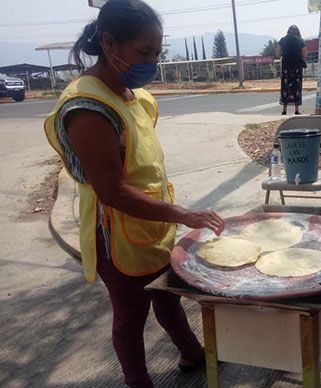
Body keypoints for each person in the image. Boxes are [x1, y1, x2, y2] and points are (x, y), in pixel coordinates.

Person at [43, 1, 225, 387]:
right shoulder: (87, 107)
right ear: (109, 43)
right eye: (144, 52)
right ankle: (136, 381)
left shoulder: (132, 93)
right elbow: (111, 191)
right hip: (118, 234)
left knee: (167, 294)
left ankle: (191, 352)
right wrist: (183, 215)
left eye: (157, 52)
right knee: (130, 315)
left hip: (151, 224)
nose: (152, 62)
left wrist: (168, 214)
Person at [276, 25, 307, 115]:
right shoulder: (300, 41)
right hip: (297, 68)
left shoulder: (282, 40)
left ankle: (284, 109)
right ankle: (296, 110)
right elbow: (305, 55)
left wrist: (284, 54)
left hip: (285, 67)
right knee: (296, 88)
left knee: (285, 87)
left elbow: (277, 53)